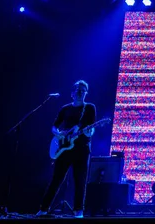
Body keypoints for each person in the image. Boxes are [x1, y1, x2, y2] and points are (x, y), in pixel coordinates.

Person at [37, 80, 97, 218]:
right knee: (56, 179)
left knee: (80, 180)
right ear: (72, 93)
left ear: (86, 93)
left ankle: (78, 211)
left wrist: (88, 132)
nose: (80, 92)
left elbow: (91, 127)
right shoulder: (65, 108)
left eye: (83, 90)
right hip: (64, 147)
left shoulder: (89, 108)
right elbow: (54, 126)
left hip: (82, 149)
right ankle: (43, 209)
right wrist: (58, 134)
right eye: (77, 89)